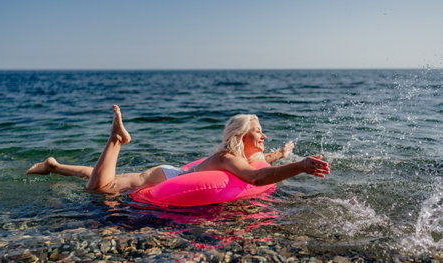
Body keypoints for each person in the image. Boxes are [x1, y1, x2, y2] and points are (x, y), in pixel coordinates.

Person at [27, 105, 330, 195]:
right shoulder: (228, 157)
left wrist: (285, 152)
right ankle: (116, 140)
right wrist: (301, 166)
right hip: (167, 177)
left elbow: (266, 161)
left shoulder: (244, 155)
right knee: (100, 189)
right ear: (242, 135)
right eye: (258, 131)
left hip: (174, 171)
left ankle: (54, 165)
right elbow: (258, 178)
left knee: (113, 177)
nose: (264, 135)